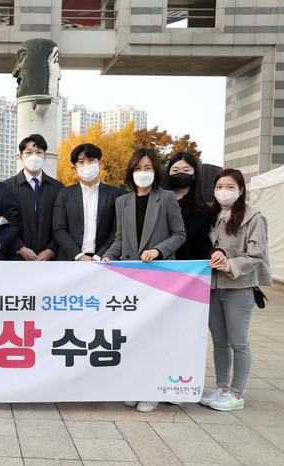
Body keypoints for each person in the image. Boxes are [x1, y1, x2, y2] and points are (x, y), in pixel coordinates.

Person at [102, 148, 186, 413]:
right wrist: (107, 257)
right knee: (134, 335)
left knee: (156, 335)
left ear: (156, 171)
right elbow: (119, 239)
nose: (143, 173)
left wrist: (159, 250)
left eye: (148, 168)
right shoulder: (122, 202)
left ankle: (153, 390)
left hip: (160, 277)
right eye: (138, 168)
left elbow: (179, 234)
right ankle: (135, 385)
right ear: (131, 172)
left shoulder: (167, 198)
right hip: (131, 280)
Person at [200, 168, 271, 412]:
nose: (224, 191)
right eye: (219, 187)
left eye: (230, 187)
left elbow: (257, 255)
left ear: (240, 190)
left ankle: (237, 392)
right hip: (212, 286)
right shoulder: (211, 215)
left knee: (238, 342)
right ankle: (222, 387)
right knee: (219, 341)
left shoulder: (254, 217)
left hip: (239, 287)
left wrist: (229, 264)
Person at [52, 143, 122, 261]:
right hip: (70, 260)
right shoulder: (64, 194)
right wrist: (79, 256)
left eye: (91, 160)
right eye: (81, 162)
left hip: (104, 260)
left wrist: (99, 256)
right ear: (75, 168)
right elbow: (59, 229)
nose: (87, 165)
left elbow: (117, 231)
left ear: (100, 163)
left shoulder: (115, 194)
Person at [4, 134, 63, 261]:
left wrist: (51, 250)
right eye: (29, 152)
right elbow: (3, 223)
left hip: (49, 260)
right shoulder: (7, 187)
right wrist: (19, 248)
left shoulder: (58, 188)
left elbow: (62, 223)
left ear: (45, 156)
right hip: (15, 258)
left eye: (39, 152)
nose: (34, 156)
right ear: (21, 157)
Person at [166, 152, 212, 260]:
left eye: (186, 170)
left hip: (190, 265)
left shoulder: (203, 210)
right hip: (159, 263)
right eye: (175, 170)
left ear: (194, 174)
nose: (180, 173)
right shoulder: (158, 203)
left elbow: (203, 244)